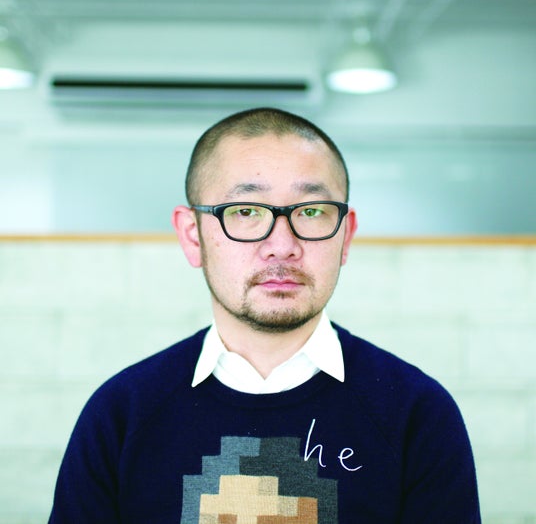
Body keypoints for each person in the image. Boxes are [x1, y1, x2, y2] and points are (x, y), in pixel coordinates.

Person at [48, 107, 481, 523]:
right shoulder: (120, 414)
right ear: (193, 236)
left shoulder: (418, 415)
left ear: (345, 236)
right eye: (246, 212)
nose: (282, 246)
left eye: (311, 211)